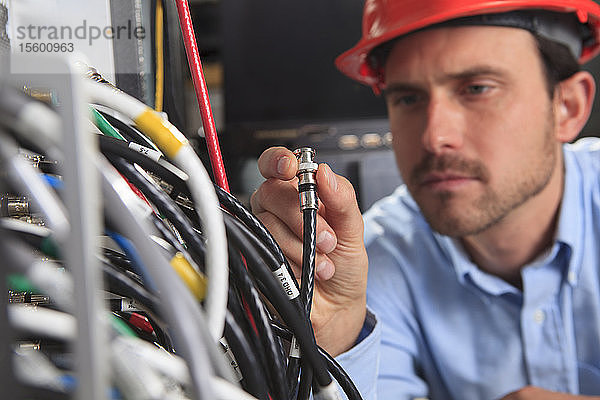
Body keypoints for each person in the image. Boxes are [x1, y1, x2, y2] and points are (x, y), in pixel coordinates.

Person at [250, 1, 600, 399]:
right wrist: (336, 341)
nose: (434, 137)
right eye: (409, 99)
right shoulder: (362, 266)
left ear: (567, 108)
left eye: (477, 89)